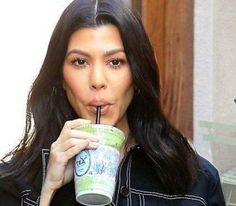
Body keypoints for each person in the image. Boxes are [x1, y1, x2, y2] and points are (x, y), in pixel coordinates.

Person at [0, 0, 226, 205]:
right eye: (80, 62)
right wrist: (48, 191)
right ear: (61, 78)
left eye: (115, 62)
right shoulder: (15, 184)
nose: (97, 81)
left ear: (137, 74)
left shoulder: (196, 183)